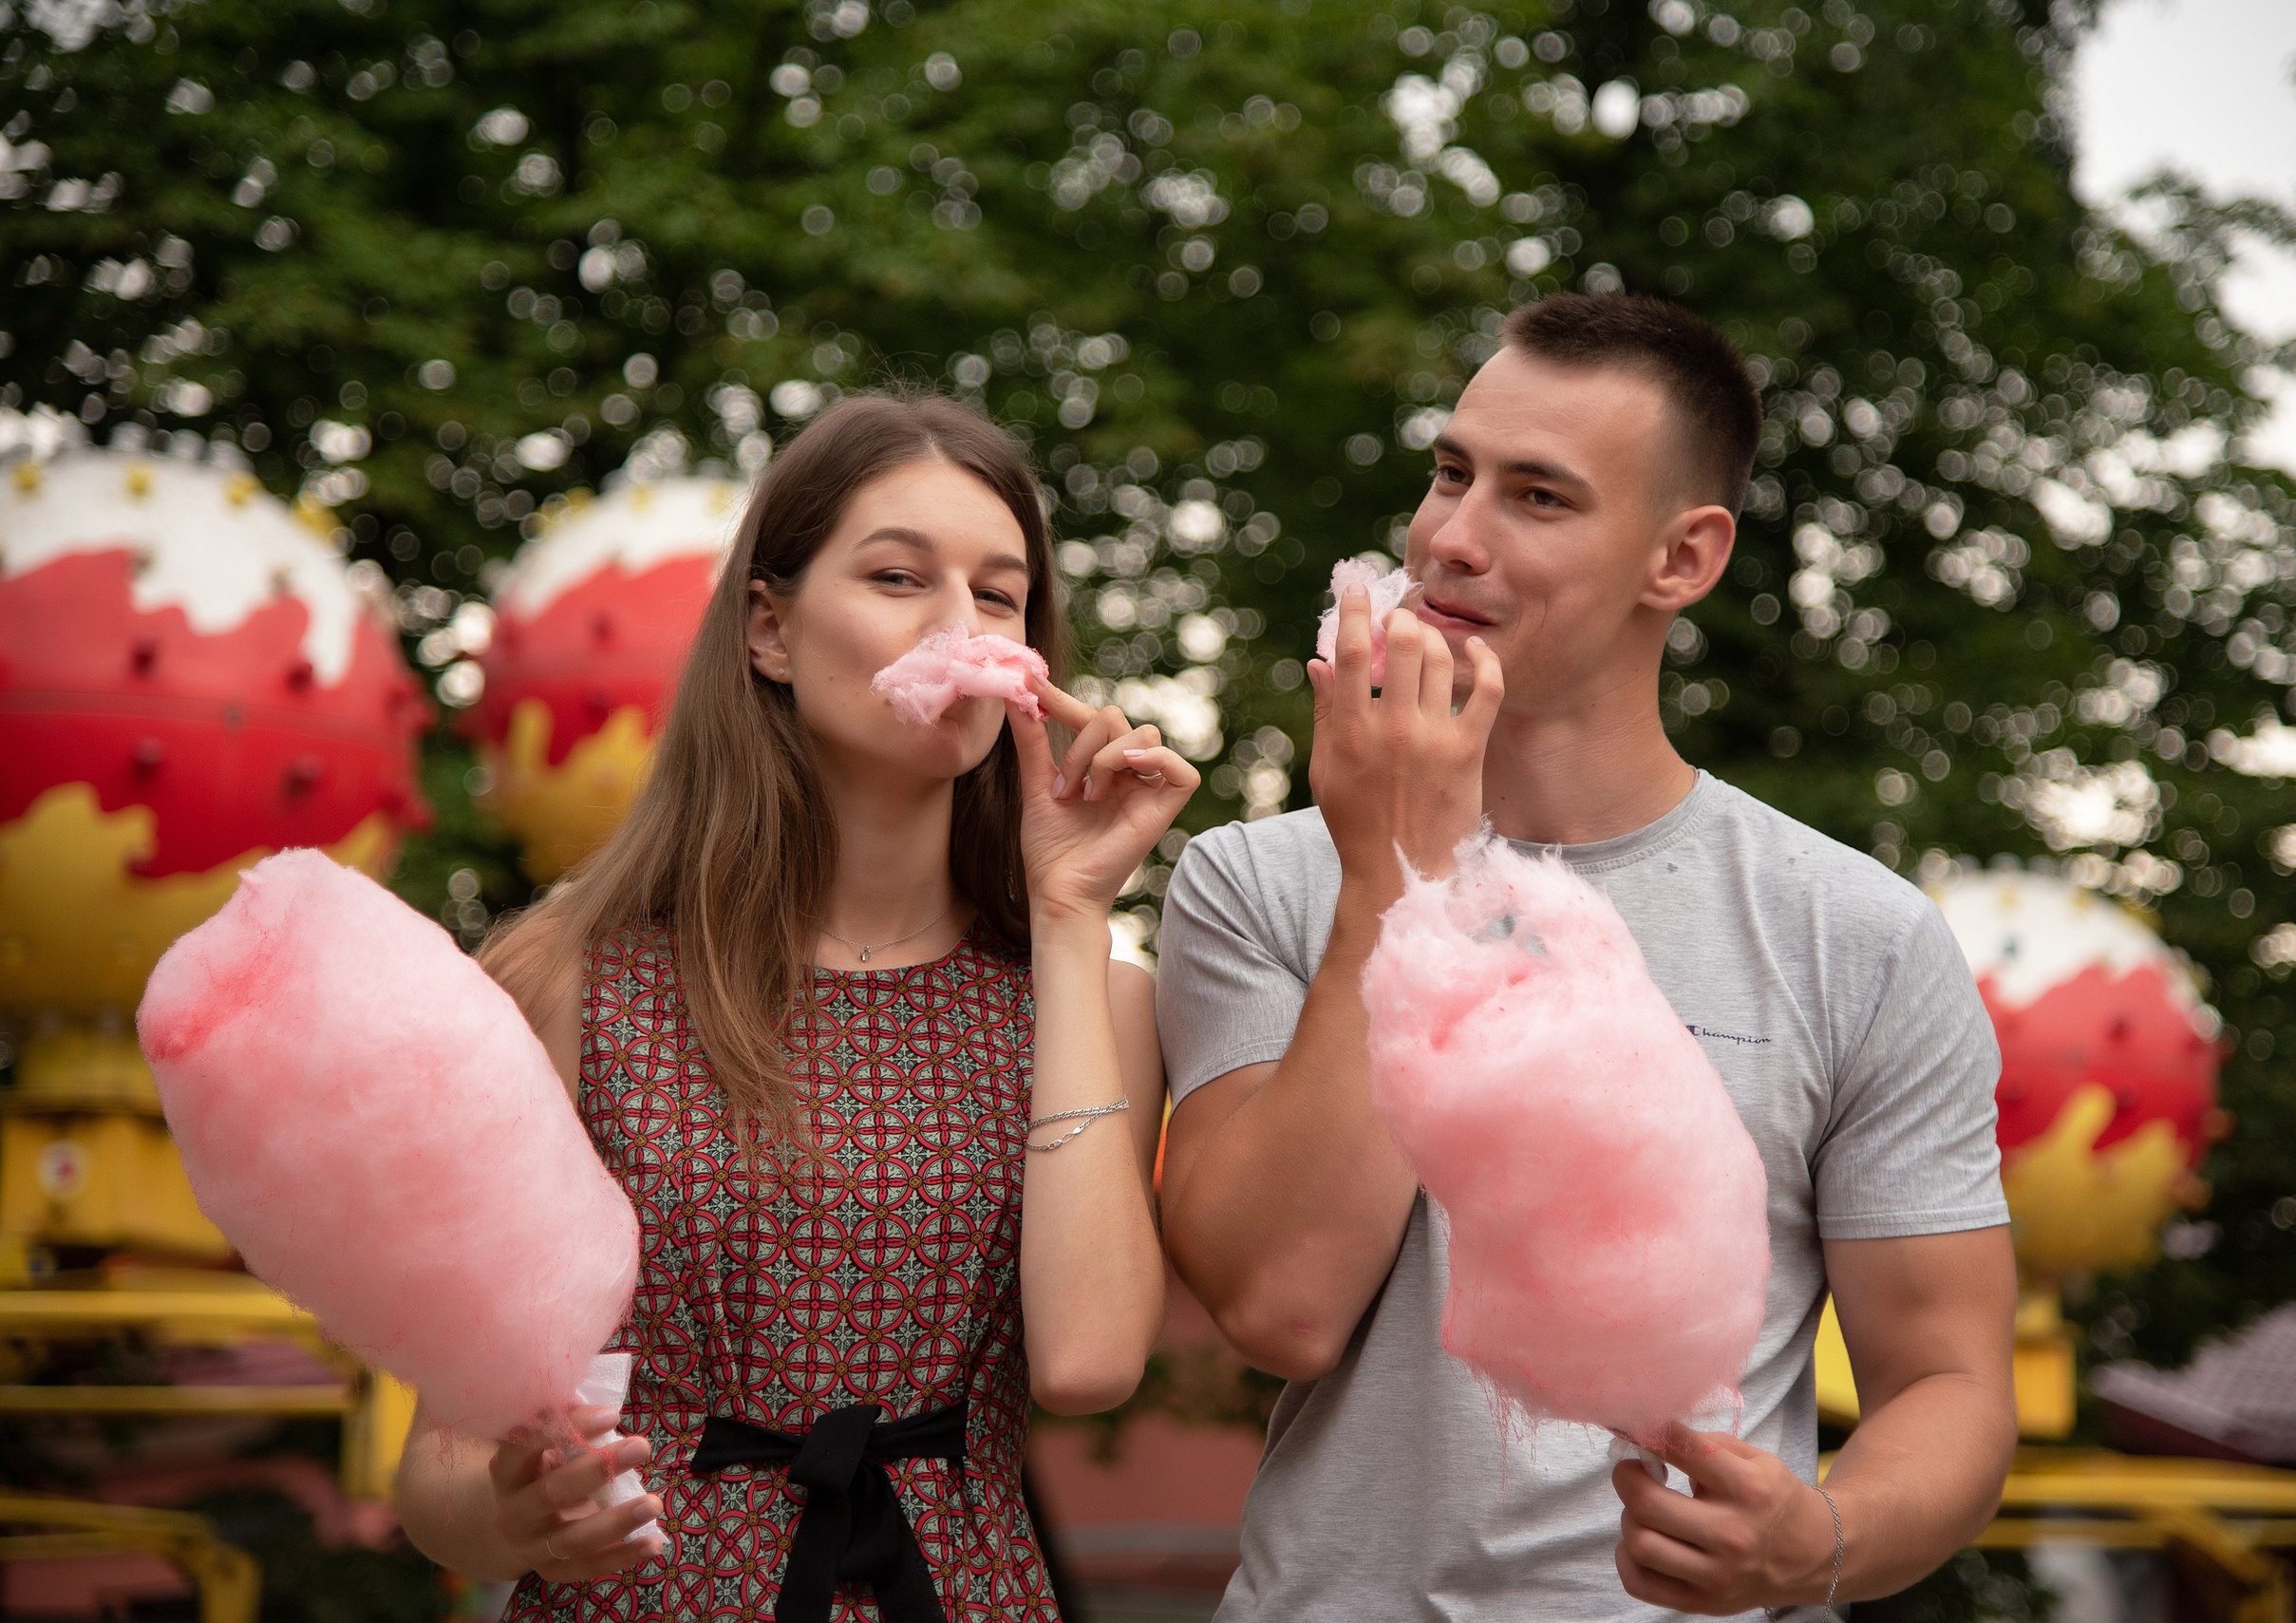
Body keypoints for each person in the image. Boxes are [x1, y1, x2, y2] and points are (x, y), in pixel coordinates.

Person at [1156, 293, 2019, 1620]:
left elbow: (1952, 1383)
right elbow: (1283, 1307)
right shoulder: (1254, 883)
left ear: (1681, 557)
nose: (1450, 536)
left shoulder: (1857, 938)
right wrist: (1409, 869)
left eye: (1537, 497)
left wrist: (1823, 1537)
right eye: (1451, 473)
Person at [392, 390, 1196, 1620]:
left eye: (997, 593)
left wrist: (1076, 906)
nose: (960, 625)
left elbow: (1087, 1363)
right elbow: (436, 1467)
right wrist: (513, 1517)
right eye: (897, 577)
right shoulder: (569, 976)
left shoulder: (1091, 995)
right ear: (769, 627)